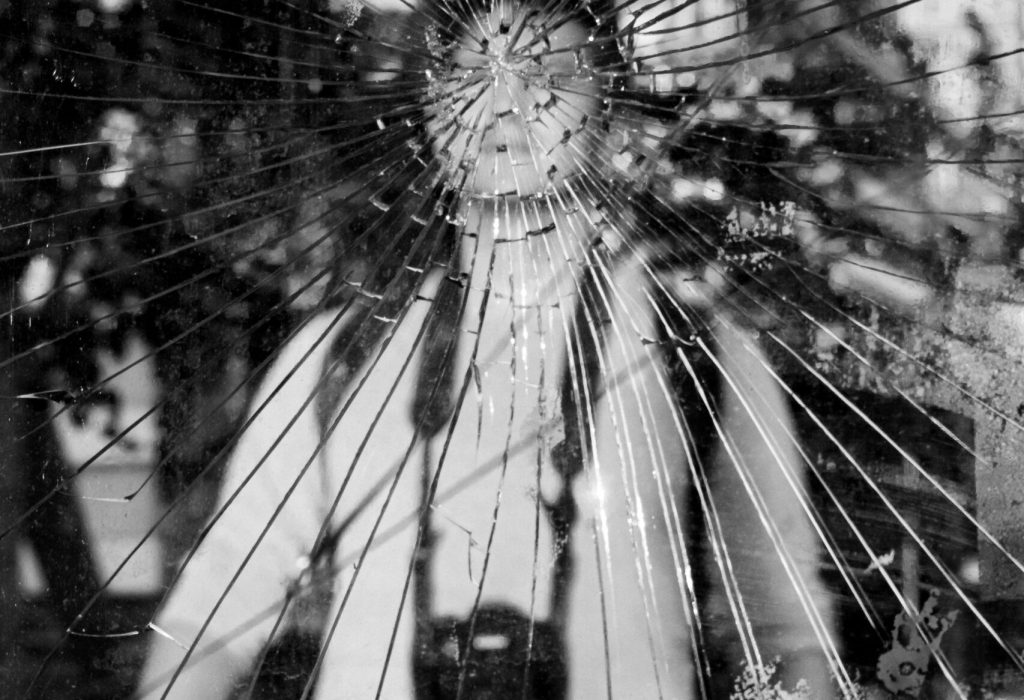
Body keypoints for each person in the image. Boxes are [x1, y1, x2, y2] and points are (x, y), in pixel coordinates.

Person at [136, 1, 836, 698]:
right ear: (435, 117)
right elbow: (216, 612)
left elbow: (788, 634)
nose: (507, 99)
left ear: (612, 116)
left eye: (551, 74)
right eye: (474, 72)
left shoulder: (700, 353)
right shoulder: (339, 354)